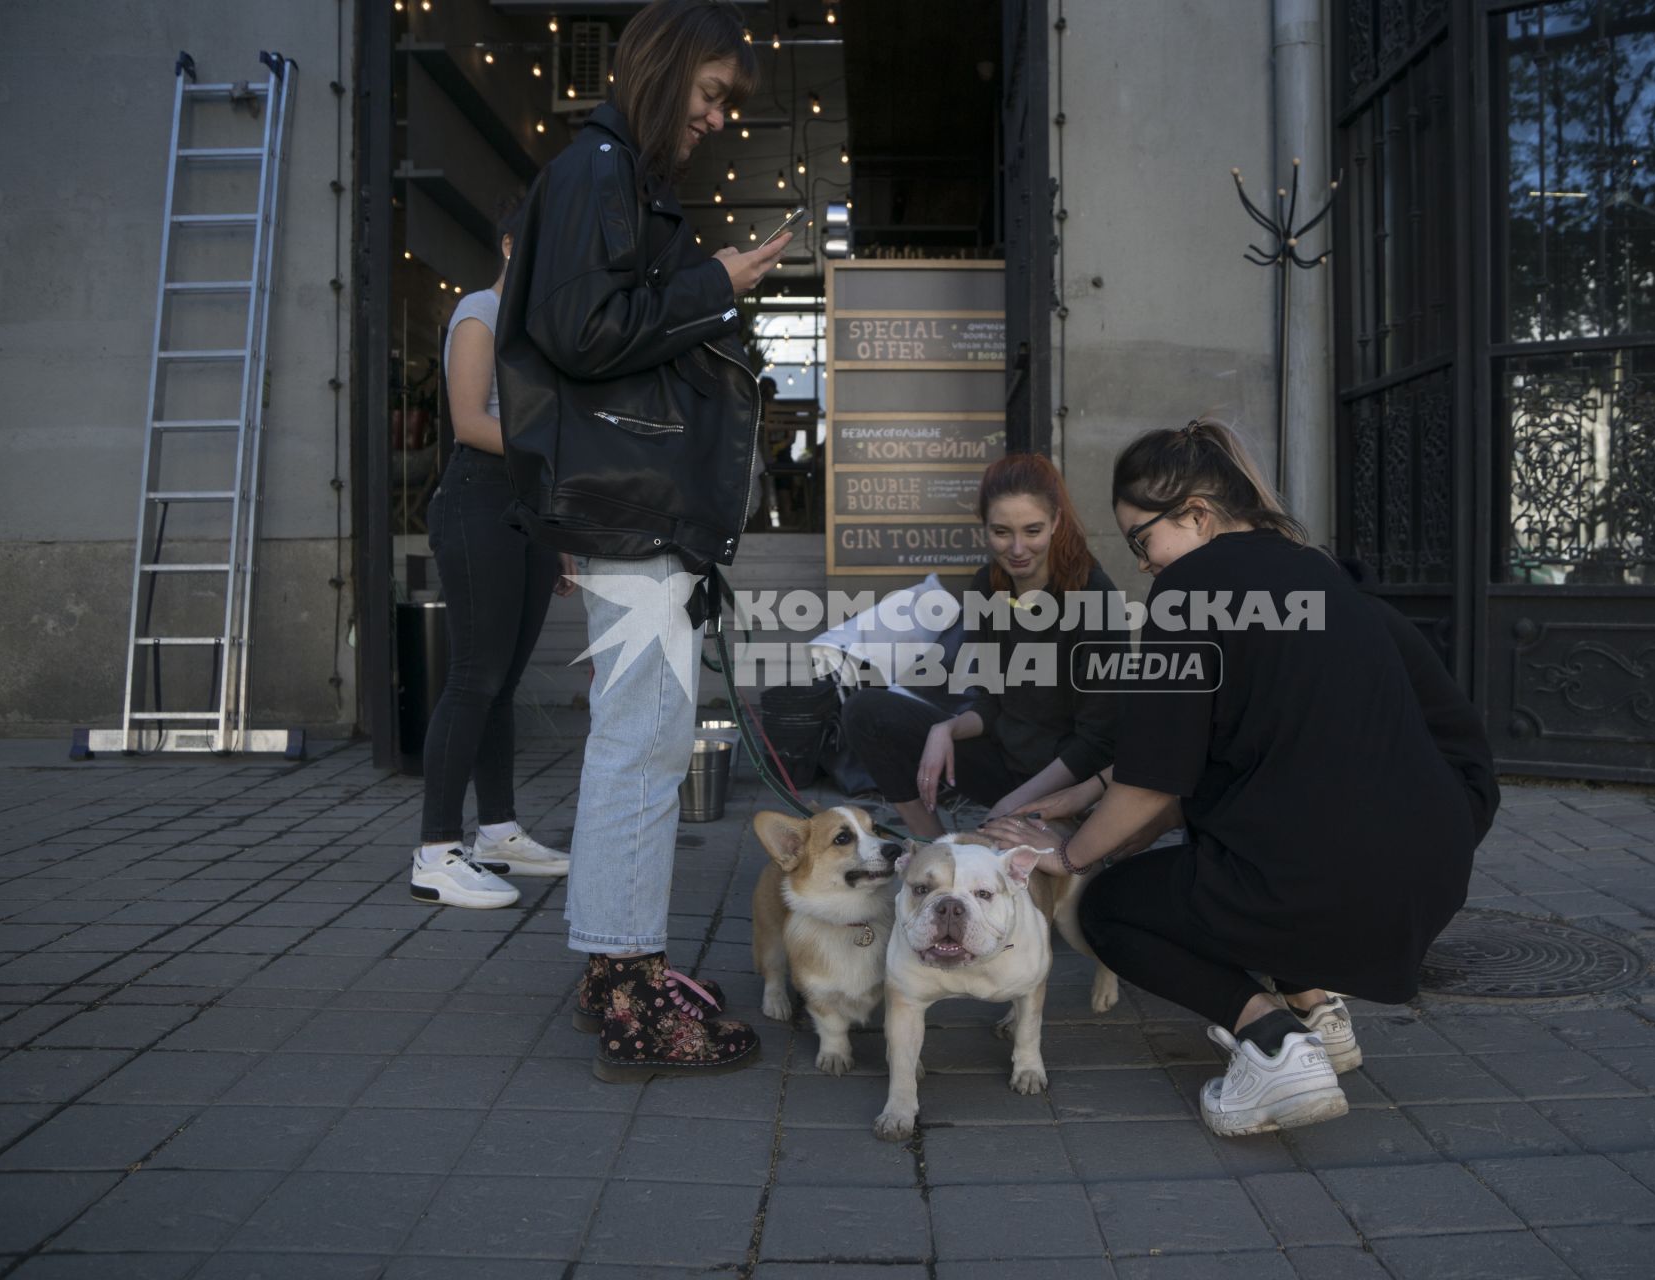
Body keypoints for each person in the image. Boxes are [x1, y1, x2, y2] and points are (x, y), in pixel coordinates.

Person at [983, 418, 1498, 1138]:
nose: (1144, 565)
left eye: (1141, 541)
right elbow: (1191, 761)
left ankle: (1272, 1043)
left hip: (1323, 883)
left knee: (1114, 908)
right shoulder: (1328, 580)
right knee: (1232, 841)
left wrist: (1066, 855)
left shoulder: (1191, 590)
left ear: (1196, 514)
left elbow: (1154, 784)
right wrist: (1067, 800)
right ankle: (1319, 1015)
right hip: (1432, 870)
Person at [495, 0, 789, 1079]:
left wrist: (701, 285)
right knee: (645, 743)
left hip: (638, 510)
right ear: (667, 74)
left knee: (646, 737)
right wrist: (715, 282)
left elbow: (596, 325)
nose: (717, 119)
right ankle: (627, 987)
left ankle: (610, 974)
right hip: (636, 512)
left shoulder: (608, 176)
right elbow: (583, 333)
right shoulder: (597, 174)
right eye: (712, 94)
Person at [409, 192, 574, 911]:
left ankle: (497, 832)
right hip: (477, 498)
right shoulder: (480, 312)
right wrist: (552, 449)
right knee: (473, 677)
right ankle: (436, 851)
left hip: (528, 509)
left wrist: (557, 531)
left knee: (503, 682)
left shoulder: (540, 331)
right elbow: (470, 422)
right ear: (511, 247)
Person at [842, 452, 1124, 838]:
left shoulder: (1095, 595)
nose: (1018, 548)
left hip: (1068, 780)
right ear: (985, 527)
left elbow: (1098, 742)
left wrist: (1012, 807)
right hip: (1002, 762)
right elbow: (991, 702)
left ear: (1057, 522)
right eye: (1002, 532)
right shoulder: (987, 585)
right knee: (865, 711)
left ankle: (1062, 827)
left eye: (1032, 530)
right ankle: (932, 845)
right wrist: (948, 728)